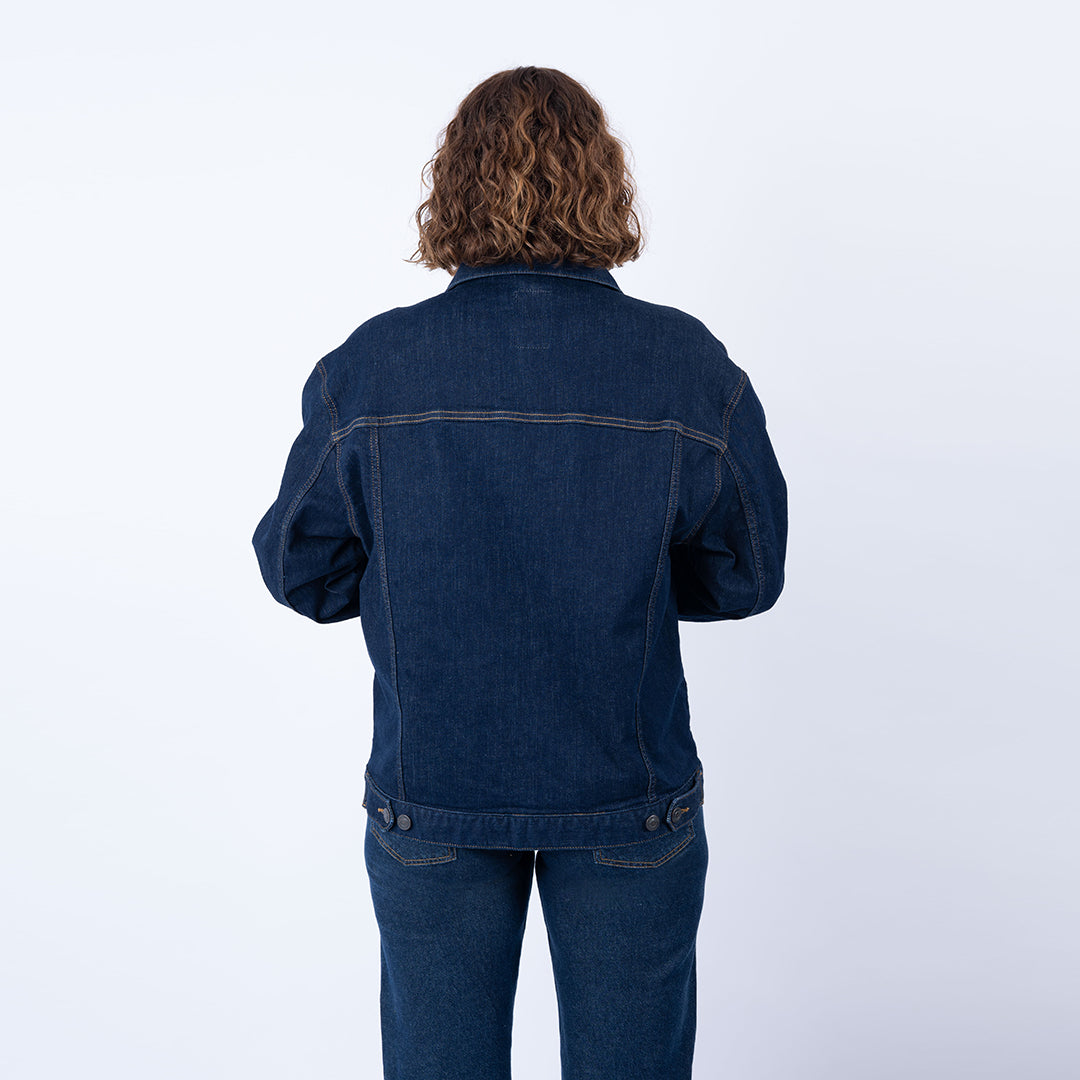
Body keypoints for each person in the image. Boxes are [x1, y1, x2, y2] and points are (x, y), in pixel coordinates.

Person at [252, 65, 788, 1080]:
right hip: (628, 788)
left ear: (450, 185)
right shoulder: (685, 365)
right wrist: (619, 575)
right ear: (605, 183)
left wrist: (422, 571)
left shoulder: (371, 368)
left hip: (434, 788)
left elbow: (301, 569)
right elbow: (746, 574)